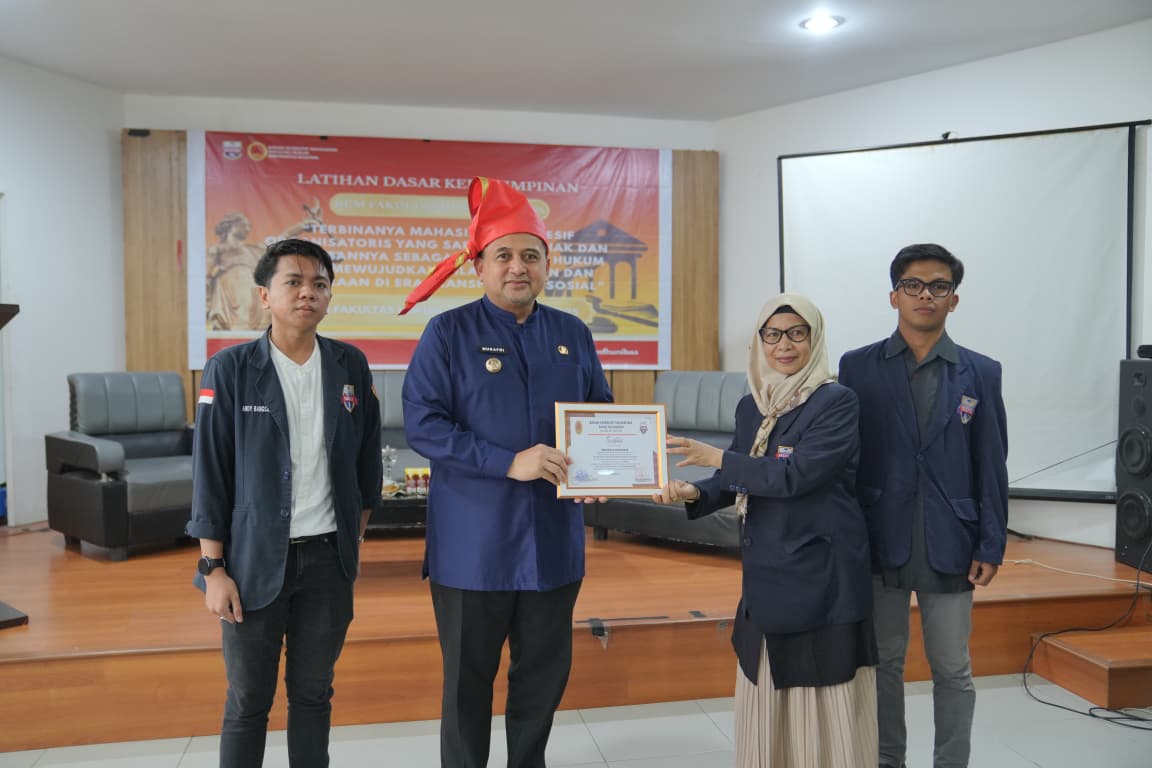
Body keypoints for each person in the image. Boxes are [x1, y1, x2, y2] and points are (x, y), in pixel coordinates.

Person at [400, 177, 612, 768]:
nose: (518, 267)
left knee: (543, 676)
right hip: (474, 545)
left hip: (553, 542)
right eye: (504, 256)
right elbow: (423, 423)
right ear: (480, 267)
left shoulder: (572, 333)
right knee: (467, 683)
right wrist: (507, 462)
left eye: (530, 255)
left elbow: (599, 412)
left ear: (547, 264)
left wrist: (603, 472)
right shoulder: (448, 333)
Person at [652, 294, 877, 768]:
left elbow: (796, 476)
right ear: (759, 341)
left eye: (797, 333)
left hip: (821, 573)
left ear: (815, 339)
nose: (784, 345)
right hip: (767, 572)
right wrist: (692, 493)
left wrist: (718, 458)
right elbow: (735, 477)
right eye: (772, 335)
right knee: (767, 691)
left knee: (824, 699)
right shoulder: (751, 406)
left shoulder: (836, 402)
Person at [187, 238, 382, 767]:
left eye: (319, 284)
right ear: (264, 295)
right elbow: (210, 474)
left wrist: (352, 541)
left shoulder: (349, 365)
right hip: (252, 563)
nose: (307, 293)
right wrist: (213, 568)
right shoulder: (230, 369)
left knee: (313, 695)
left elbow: (367, 467)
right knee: (248, 701)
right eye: (293, 282)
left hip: (327, 562)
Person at [838, 243, 1008, 768]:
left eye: (938, 286)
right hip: (877, 537)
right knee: (883, 663)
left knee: (952, 668)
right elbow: (846, 458)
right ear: (894, 296)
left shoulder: (981, 372)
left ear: (953, 299)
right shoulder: (857, 366)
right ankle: (887, 760)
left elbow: (991, 462)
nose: (925, 295)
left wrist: (991, 543)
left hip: (951, 540)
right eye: (913, 285)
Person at [207, 201, 324, 331]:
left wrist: (303, 225)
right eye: (244, 224)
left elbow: (282, 238)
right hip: (233, 289)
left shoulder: (252, 249)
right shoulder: (218, 249)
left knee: (268, 310)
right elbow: (205, 275)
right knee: (244, 312)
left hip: (252, 287)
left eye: (248, 225)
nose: (248, 227)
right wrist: (207, 302)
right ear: (231, 225)